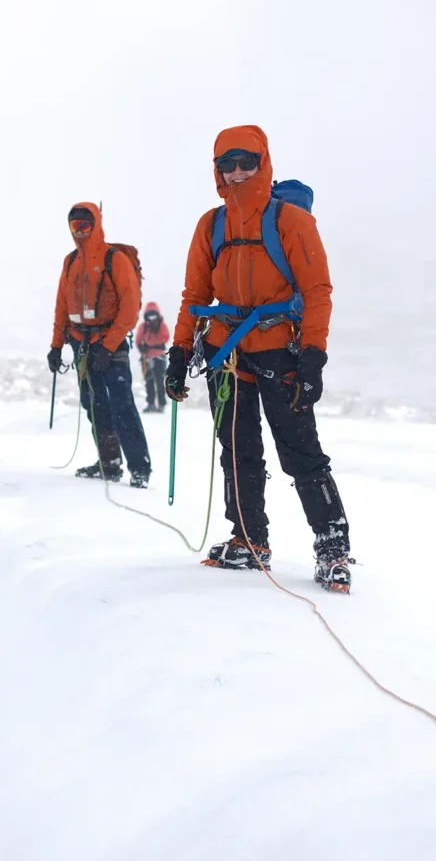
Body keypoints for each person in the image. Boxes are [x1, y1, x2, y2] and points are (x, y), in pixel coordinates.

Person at [165, 125, 352, 592]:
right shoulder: (211, 224)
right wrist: (180, 348)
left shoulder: (292, 221)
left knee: (300, 452)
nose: (236, 171)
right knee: (238, 450)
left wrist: (314, 354)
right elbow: (195, 294)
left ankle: (333, 549)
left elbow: (317, 292)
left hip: (279, 351)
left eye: (245, 161)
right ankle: (249, 540)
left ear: (263, 161)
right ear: (216, 170)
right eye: (225, 163)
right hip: (227, 355)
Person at [47, 202, 151, 488]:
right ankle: (109, 463)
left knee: (121, 404)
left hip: (111, 345)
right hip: (81, 345)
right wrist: (56, 346)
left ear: (96, 224)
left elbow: (130, 308)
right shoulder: (70, 262)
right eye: (74, 226)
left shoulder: (114, 259)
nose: (80, 231)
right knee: (94, 405)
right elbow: (61, 306)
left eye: (85, 225)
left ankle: (140, 467)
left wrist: (109, 345)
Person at [136, 302, 170, 413]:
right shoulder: (143, 326)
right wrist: (146, 347)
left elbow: (166, 337)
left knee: (159, 381)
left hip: (159, 357)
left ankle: (161, 404)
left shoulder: (161, 325)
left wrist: (148, 344)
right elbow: (138, 340)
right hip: (147, 358)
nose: (152, 318)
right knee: (149, 381)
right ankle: (151, 403)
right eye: (149, 315)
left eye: (153, 315)